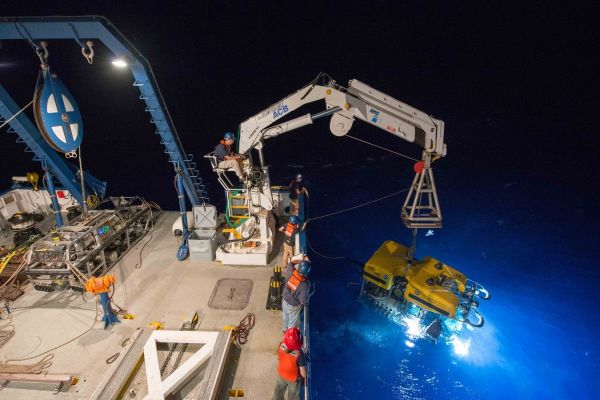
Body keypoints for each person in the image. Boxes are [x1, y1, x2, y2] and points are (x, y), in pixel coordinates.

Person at [272, 327, 307, 400]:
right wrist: (305, 378)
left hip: (281, 374)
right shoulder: (299, 354)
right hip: (293, 379)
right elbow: (302, 372)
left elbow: (280, 357)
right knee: (293, 395)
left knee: (278, 391)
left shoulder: (281, 345)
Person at [281, 257, 311, 332]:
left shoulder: (290, 271)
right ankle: (289, 336)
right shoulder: (304, 285)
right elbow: (302, 301)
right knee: (292, 323)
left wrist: (302, 260)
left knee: (285, 317)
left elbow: (291, 262)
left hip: (285, 299)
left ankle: (284, 329)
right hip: (293, 305)